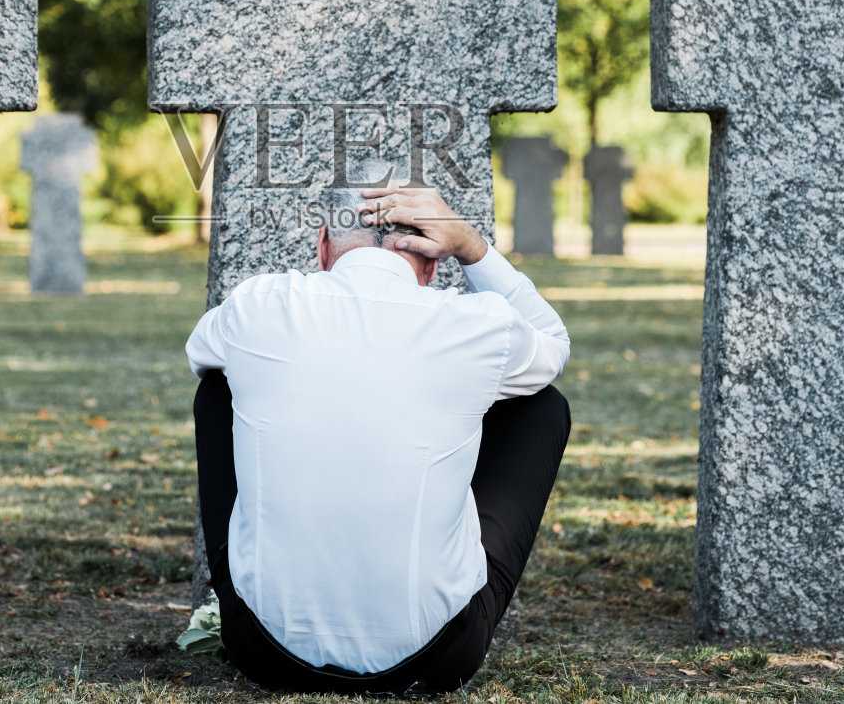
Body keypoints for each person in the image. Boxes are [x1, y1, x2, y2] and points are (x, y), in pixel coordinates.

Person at [188, 158, 572, 695]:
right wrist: (473, 247)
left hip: (265, 653)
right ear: (434, 262)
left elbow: (198, 355)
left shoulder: (258, 305)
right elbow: (554, 343)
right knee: (540, 404)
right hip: (436, 660)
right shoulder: (480, 326)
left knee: (218, 386)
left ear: (324, 244)